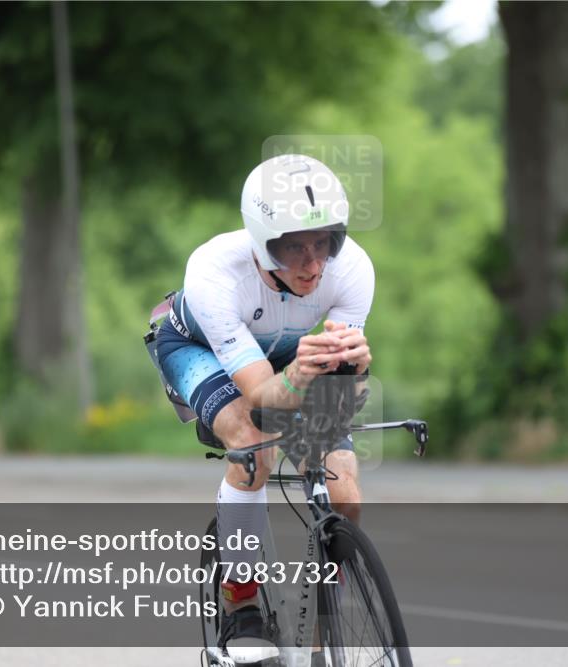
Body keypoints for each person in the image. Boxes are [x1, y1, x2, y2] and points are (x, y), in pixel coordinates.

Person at [153, 154, 373, 663]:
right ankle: (241, 598)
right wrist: (297, 377)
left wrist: (355, 369)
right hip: (201, 349)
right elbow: (261, 400)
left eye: (324, 243)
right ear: (260, 242)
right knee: (253, 445)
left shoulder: (354, 269)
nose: (314, 264)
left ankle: (327, 627)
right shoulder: (214, 272)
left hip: (289, 354)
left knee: (345, 491)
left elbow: (338, 392)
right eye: (293, 248)